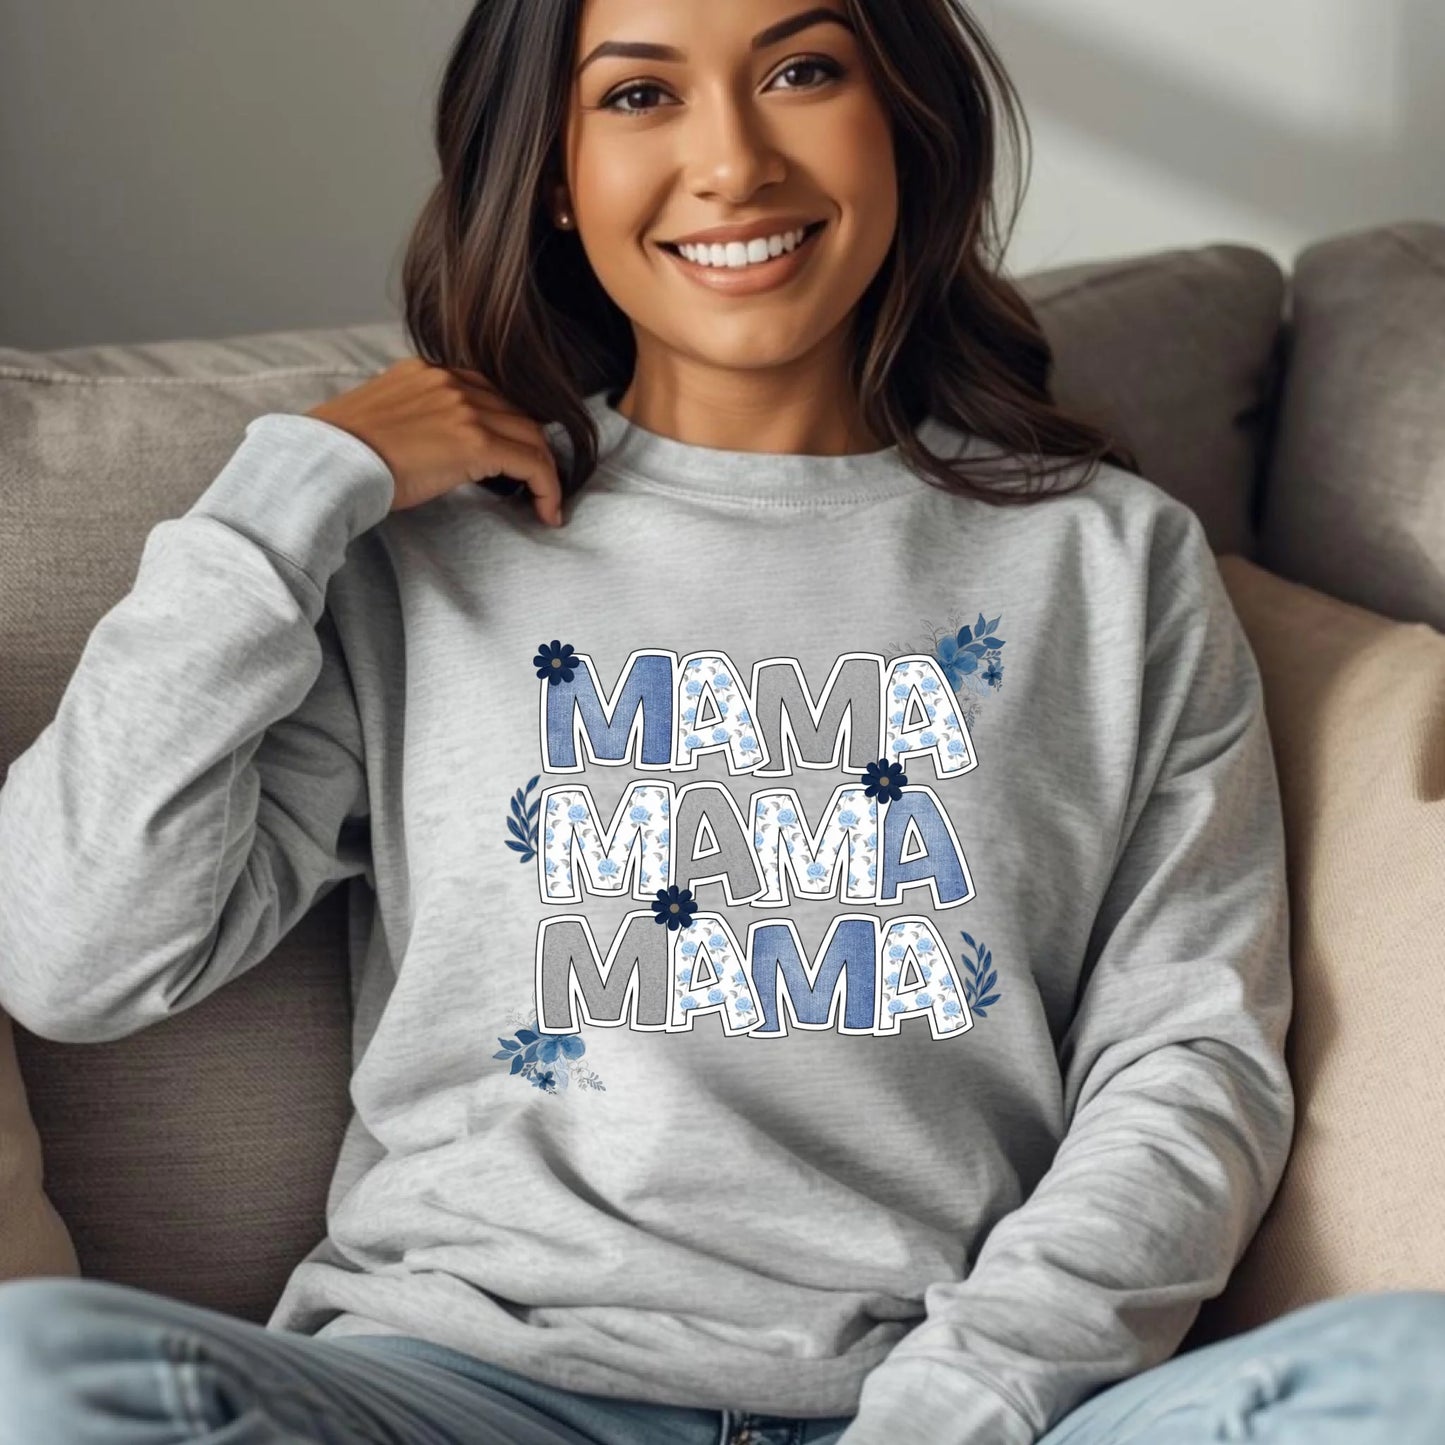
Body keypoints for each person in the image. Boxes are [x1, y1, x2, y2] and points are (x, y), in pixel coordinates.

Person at [2, 0, 1444, 1441]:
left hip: (944, 1396)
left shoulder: (1108, 564)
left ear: (905, 125)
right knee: (38, 1363)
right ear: (554, 174)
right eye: (638, 98)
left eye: (801, 73)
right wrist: (292, 491)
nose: (732, 160)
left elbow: (1186, 1060)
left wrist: (968, 1400)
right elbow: (72, 955)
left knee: (1410, 1371)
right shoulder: (420, 558)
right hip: (471, 1389)